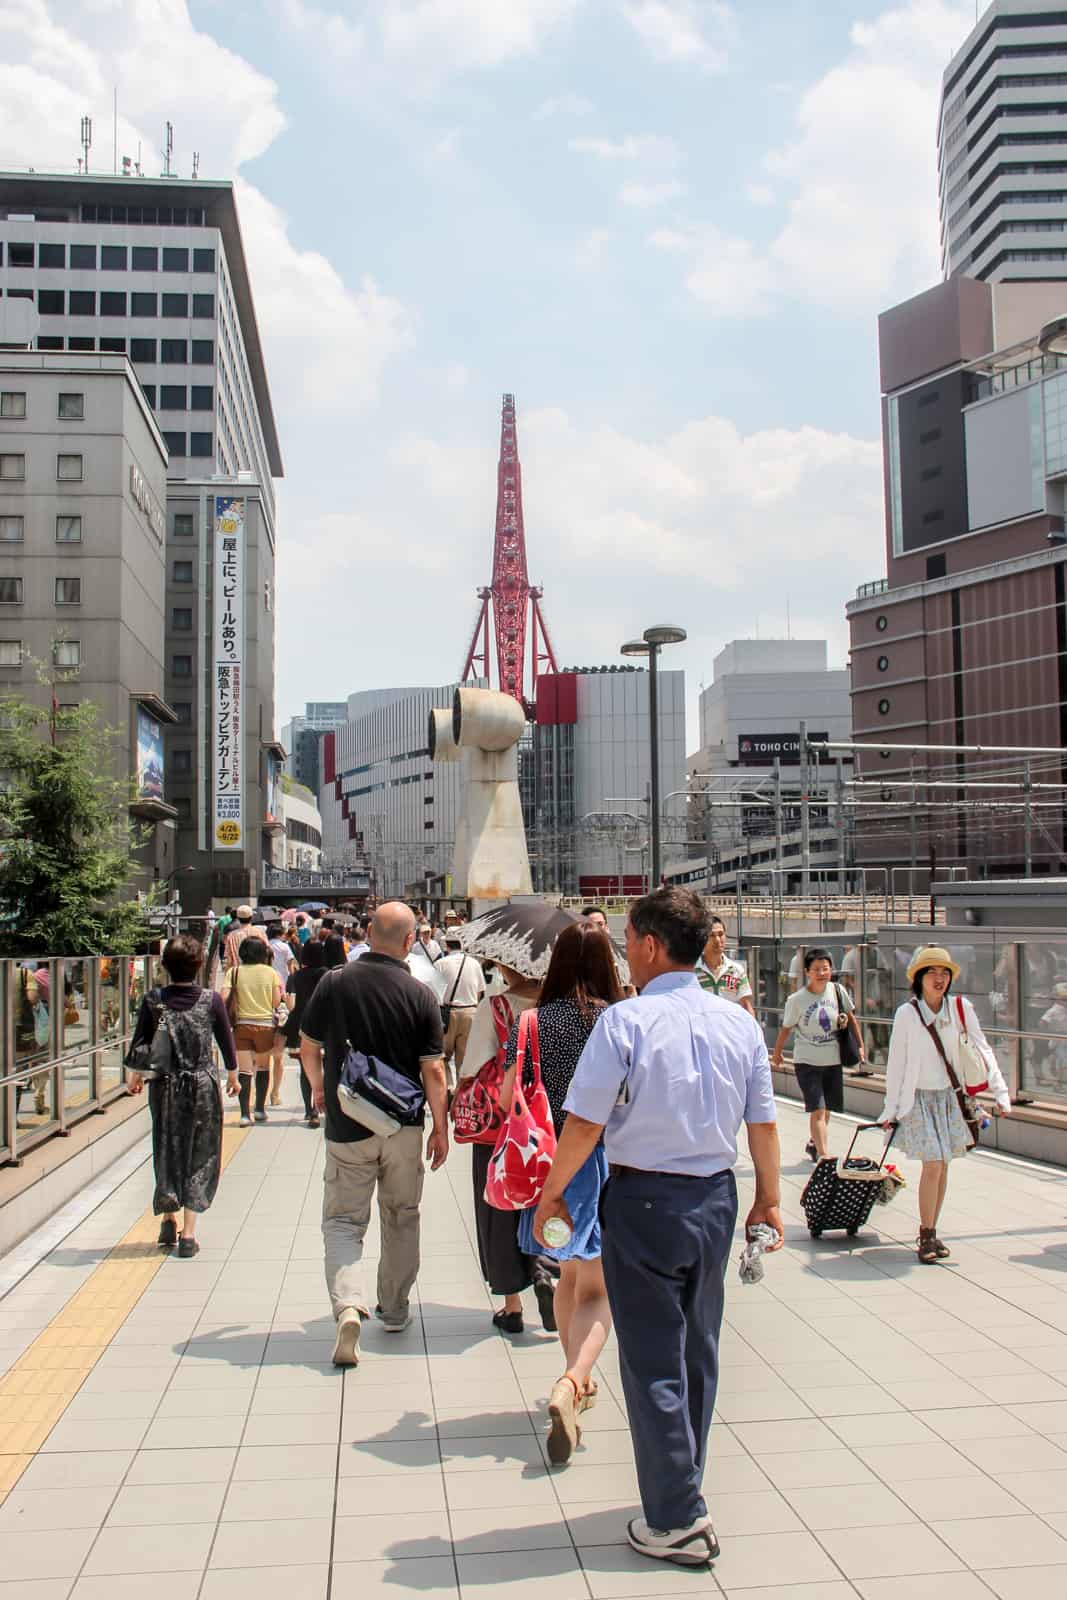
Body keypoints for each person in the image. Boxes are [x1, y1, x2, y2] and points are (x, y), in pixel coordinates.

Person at [532, 887, 782, 1568]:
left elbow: (584, 1122)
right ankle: (683, 1482)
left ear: (646, 944)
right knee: (697, 1347)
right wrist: (768, 1198)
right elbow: (761, 1120)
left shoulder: (625, 1023)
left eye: (626, 942)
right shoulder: (737, 1022)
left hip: (642, 1198)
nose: (623, 954)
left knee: (651, 1359)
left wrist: (552, 1195)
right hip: (715, 1197)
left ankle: (675, 1516)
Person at [299, 901, 448, 1364]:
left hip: (349, 1121)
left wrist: (319, 1088)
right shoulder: (420, 994)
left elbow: (308, 1045)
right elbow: (434, 1071)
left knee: (343, 1220)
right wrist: (440, 1128)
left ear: (367, 932)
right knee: (402, 1214)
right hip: (403, 1125)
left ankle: (348, 1305)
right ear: (410, 941)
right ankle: (396, 1308)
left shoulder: (334, 982)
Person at [501, 921, 622, 1464]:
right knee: (596, 1286)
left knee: (567, 1273)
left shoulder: (531, 1022)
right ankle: (574, 1380)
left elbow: (508, 1096)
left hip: (549, 1166)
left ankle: (578, 1381)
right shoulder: (618, 1020)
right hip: (603, 1164)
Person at [881, 945, 1010, 1264]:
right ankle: (926, 1234)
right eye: (932, 972)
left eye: (944, 973)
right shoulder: (907, 1014)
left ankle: (932, 1230)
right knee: (934, 1163)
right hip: (919, 1099)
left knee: (944, 1165)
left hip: (950, 1098)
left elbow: (983, 1050)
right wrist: (890, 1110)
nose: (939, 978)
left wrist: (1001, 1092)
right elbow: (896, 1064)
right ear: (919, 978)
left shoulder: (960, 1009)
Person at [127, 934, 239, 1258]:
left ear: (165, 966)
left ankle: (167, 1217)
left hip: (164, 1085)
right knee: (200, 1153)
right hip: (202, 1083)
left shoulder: (153, 1000)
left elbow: (141, 1043)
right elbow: (224, 1038)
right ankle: (188, 1234)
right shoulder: (210, 1000)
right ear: (199, 964)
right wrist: (233, 1073)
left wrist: (135, 1077)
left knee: (166, 1147)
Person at [460, 958, 548, 1333]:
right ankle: (547, 1269)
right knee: (547, 1199)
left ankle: (512, 1304)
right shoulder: (558, 1005)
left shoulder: (494, 1007)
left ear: (505, 965)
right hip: (547, 1123)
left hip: (500, 1127)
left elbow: (472, 1066)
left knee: (499, 1205)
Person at [772, 947, 865, 1161]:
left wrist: (860, 1045)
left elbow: (851, 1019)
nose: (822, 973)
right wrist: (777, 1053)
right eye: (817, 969)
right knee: (818, 1109)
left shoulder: (837, 991)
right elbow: (786, 1028)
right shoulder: (796, 1000)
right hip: (807, 1061)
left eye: (826, 968)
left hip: (833, 1059)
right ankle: (824, 1154)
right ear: (807, 972)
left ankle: (814, 1143)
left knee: (828, 1107)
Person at [223, 938, 284, 1126]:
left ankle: (244, 1114)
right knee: (264, 1068)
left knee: (245, 1070)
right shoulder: (271, 973)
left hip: (241, 1025)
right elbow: (276, 1002)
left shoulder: (234, 972)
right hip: (265, 1026)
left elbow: (224, 997)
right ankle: (259, 1109)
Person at [286, 939, 327, 1128]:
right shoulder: (327, 974)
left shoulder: (297, 976)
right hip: (324, 1024)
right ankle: (326, 1107)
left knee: (306, 1069)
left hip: (303, 1024)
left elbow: (291, 1002)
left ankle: (309, 1110)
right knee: (327, 1067)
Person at [434, 935, 485, 1085]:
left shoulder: (440, 964)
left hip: (447, 1014)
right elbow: (480, 991)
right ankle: (461, 1092)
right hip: (470, 1012)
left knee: (443, 1056)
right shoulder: (474, 964)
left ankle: (449, 1088)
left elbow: (433, 991)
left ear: (446, 945)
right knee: (465, 1059)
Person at [696, 917, 754, 1014]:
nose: (718, 940)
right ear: (703, 938)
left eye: (721, 934)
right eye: (712, 935)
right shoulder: (691, 972)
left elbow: (746, 1006)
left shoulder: (737, 970)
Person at [267, 922, 293, 1107]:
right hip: (280, 999)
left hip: (261, 1008)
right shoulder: (285, 946)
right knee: (278, 1056)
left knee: (260, 1061)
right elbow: (291, 966)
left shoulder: (265, 945)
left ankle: (261, 1095)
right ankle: (274, 1094)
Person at [223, 904, 268, 971]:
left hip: (238, 973)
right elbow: (267, 952)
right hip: (258, 972)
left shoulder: (231, 936)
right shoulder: (260, 932)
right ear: (251, 917)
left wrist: (228, 975)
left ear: (238, 918)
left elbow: (229, 959)